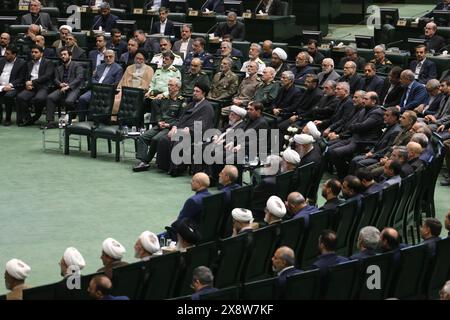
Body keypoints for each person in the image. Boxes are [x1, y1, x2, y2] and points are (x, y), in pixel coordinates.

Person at [156, 82, 214, 175]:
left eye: (197, 91)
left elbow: (203, 125)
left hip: (195, 134)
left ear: (203, 93)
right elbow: (180, 118)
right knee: (164, 139)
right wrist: (174, 127)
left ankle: (177, 169)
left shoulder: (207, 107)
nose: (194, 93)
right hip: (182, 130)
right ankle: (164, 166)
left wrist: (189, 130)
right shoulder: (191, 104)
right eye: (194, 91)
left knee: (179, 139)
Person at [133, 78, 185, 172]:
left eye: (171, 85)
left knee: (155, 139)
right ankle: (142, 160)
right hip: (160, 125)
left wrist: (169, 125)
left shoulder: (182, 101)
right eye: (168, 85)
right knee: (143, 137)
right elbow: (158, 112)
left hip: (170, 127)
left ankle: (145, 161)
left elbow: (181, 119)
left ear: (178, 87)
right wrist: (159, 121)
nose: (169, 87)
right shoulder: (164, 98)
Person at [42, 48, 84, 129]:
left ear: (70, 56)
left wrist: (68, 86)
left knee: (69, 101)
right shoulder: (59, 68)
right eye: (61, 55)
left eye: (65, 54)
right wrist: (60, 84)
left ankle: (71, 118)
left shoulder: (77, 65)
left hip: (74, 88)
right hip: (62, 88)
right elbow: (55, 79)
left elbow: (79, 78)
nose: (63, 56)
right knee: (50, 97)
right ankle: (50, 122)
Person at [76, 49, 123, 121]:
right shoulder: (99, 67)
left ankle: (94, 120)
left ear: (114, 57)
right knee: (82, 98)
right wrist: (97, 84)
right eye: (106, 57)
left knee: (97, 101)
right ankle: (81, 120)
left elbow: (116, 83)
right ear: (104, 58)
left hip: (106, 92)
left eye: (110, 56)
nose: (108, 58)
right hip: (95, 89)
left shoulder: (118, 69)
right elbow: (92, 78)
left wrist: (103, 88)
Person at [15, 46, 54, 126]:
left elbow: (47, 76)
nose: (33, 54)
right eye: (32, 52)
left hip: (42, 86)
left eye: (36, 52)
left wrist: (32, 82)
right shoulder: (29, 63)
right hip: (31, 87)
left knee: (39, 98)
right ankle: (28, 119)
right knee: (20, 97)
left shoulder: (48, 62)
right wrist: (26, 83)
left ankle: (37, 115)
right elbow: (25, 76)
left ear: (41, 54)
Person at [166, 173, 211, 240]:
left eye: (193, 180)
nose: (191, 182)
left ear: (199, 184)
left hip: (190, 236)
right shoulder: (211, 197)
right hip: (205, 233)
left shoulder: (193, 201)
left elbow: (180, 222)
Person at [0, 46, 27, 126]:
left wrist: (10, 85)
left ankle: (8, 118)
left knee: (8, 96)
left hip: (14, 87)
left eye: (7, 54)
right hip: (1, 86)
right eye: (5, 53)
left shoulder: (22, 63)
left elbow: (21, 79)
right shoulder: (1, 61)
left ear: (14, 54)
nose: (5, 55)